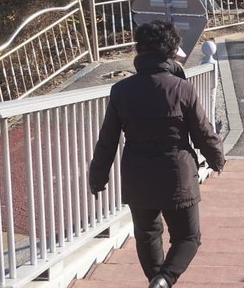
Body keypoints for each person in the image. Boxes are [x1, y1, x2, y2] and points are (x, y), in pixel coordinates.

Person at [89, 20, 225, 288]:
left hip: (137, 175)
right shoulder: (182, 88)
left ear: (138, 49)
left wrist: (98, 175)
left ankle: (157, 281)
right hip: (177, 175)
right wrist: (216, 158)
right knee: (187, 237)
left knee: (147, 234)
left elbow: (107, 140)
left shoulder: (121, 90)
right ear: (173, 51)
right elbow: (202, 132)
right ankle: (164, 280)